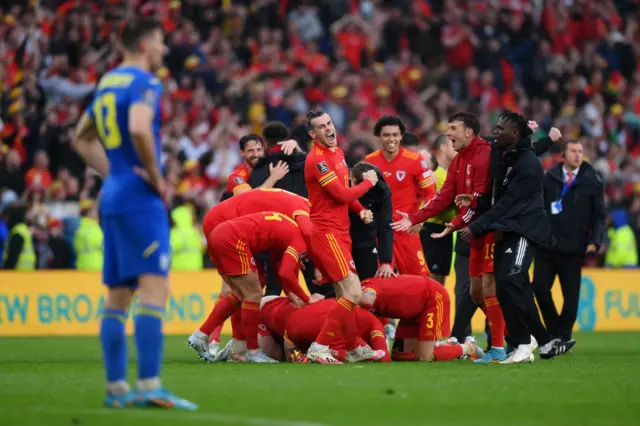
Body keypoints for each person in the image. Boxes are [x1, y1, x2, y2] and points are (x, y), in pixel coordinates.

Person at [71, 18, 196, 409]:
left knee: (119, 295)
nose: (163, 50)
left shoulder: (107, 83)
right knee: (155, 288)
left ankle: (116, 389)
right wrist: (156, 178)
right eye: (160, 43)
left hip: (113, 194)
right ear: (144, 44)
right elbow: (140, 129)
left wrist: (115, 174)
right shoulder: (145, 83)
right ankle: (149, 384)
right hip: (139, 198)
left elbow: (81, 137)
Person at [391, 112, 506, 363]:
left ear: (469, 132)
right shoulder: (459, 160)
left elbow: (483, 199)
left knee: (488, 289)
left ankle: (500, 345)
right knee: (475, 293)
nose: (449, 133)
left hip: (490, 230)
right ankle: (511, 332)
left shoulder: (484, 155)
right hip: (472, 232)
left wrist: (454, 223)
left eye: (453, 128)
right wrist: (415, 217)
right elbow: (443, 197)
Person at [460, 111, 573, 363]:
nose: (495, 132)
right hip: (506, 230)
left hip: (524, 229)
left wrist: (476, 226)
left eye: (500, 128)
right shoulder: (506, 153)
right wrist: (476, 200)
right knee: (506, 284)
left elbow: (508, 203)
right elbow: (496, 192)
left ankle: (528, 341)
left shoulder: (528, 164)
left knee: (511, 279)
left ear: (514, 134)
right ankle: (538, 342)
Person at [303, 109, 384, 364]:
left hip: (340, 232)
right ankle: (319, 346)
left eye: (329, 123)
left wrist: (360, 211)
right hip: (326, 233)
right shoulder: (317, 160)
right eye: (320, 126)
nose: (328, 129)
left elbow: (347, 192)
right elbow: (340, 194)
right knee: (353, 293)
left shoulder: (337, 152)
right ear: (313, 134)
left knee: (344, 294)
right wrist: (369, 183)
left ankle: (351, 348)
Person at [192, 187, 312, 359]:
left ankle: (210, 337)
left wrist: (292, 294)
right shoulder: (304, 228)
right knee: (252, 292)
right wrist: (305, 299)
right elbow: (286, 270)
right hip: (229, 231)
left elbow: (280, 267)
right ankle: (250, 350)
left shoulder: (293, 215)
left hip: (221, 229)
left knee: (241, 292)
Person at [534, 140, 605, 350]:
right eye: (573, 151)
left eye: (580, 151)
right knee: (539, 289)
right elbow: (540, 208)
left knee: (571, 296)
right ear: (563, 156)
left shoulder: (592, 182)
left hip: (574, 248)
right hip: (547, 246)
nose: (577, 155)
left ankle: (563, 336)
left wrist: (596, 241)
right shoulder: (549, 179)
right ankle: (555, 330)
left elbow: (599, 216)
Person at [365, 118, 436, 276]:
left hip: (406, 230)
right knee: (378, 281)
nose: (391, 139)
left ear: (401, 136)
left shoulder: (415, 160)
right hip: (380, 233)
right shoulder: (370, 161)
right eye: (387, 135)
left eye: (395, 135)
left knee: (420, 281)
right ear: (379, 136)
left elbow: (430, 193)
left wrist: (420, 218)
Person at [359, 275, 485, 362]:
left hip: (432, 298)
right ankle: (445, 345)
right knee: (400, 356)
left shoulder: (366, 288)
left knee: (424, 357)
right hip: (411, 312)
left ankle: (468, 347)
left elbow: (367, 299)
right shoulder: (360, 299)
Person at [258, 296, 390, 363]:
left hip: (291, 328)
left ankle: (307, 354)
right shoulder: (370, 324)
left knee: (280, 356)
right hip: (265, 309)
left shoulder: (340, 310)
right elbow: (383, 355)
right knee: (346, 354)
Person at [419, 135, 457, 284]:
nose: (456, 147)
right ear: (443, 147)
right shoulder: (435, 175)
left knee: (440, 280)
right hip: (430, 230)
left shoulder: (449, 174)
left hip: (443, 232)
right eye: (452, 142)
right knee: (432, 281)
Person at [348, 161, 394, 280]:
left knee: (368, 285)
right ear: (350, 176)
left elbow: (385, 225)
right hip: (341, 242)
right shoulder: (338, 183)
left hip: (366, 242)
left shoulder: (382, 191)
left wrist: (385, 262)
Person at [248, 121, 308, 197]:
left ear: (265, 143)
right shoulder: (304, 162)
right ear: (288, 139)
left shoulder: (261, 167)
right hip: (303, 208)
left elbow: (251, 198)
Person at [225, 134, 290, 198]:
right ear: (242, 152)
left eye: (259, 150)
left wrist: (294, 144)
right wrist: (273, 178)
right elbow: (247, 198)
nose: (256, 154)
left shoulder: (270, 166)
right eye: (250, 150)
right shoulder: (236, 176)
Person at [1, 203, 36, 270]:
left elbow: (12, 257)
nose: (5, 221)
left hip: (18, 273)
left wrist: (5, 272)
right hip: (27, 271)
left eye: (7, 217)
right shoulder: (23, 229)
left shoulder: (17, 233)